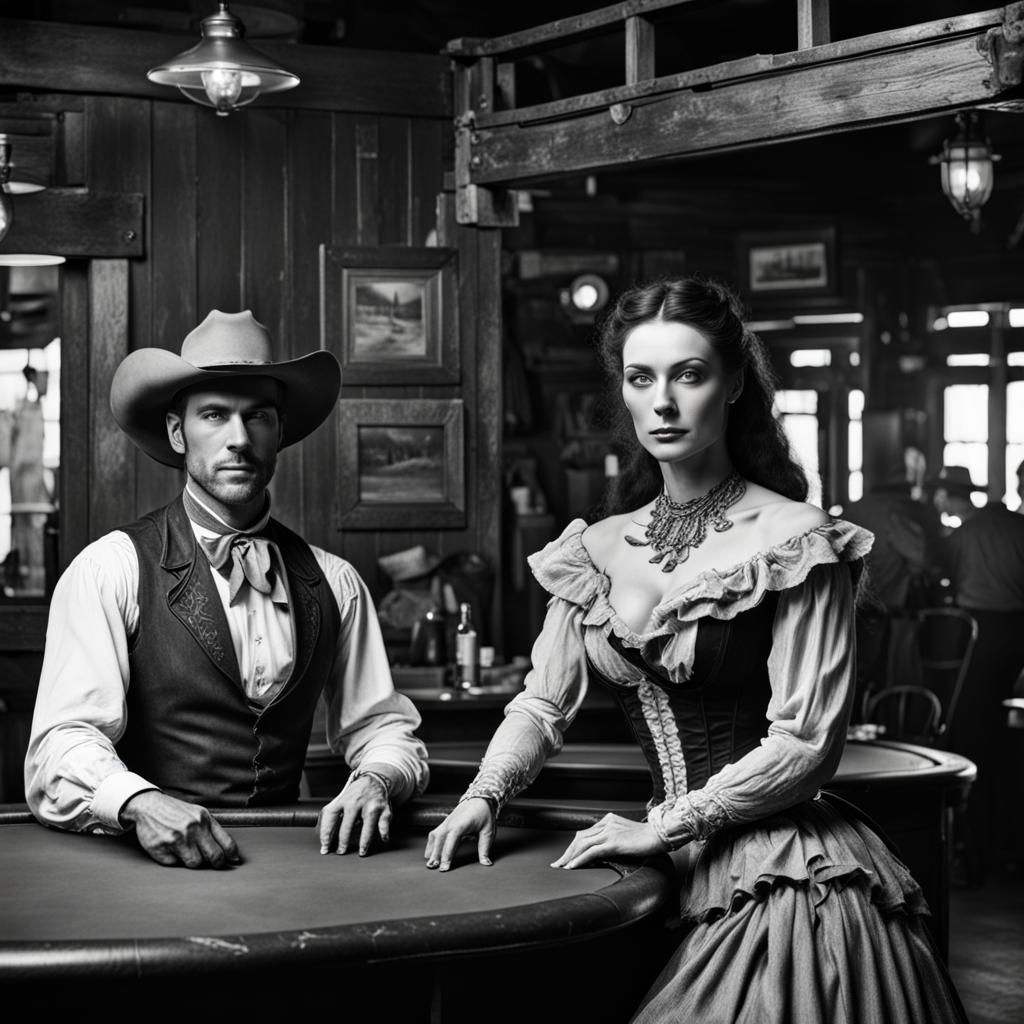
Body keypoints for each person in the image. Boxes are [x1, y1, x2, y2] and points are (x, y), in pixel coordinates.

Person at [423, 277, 968, 1022]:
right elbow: (543, 703)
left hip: (782, 873)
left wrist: (665, 825)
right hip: (656, 862)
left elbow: (806, 743)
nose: (663, 402)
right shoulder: (597, 545)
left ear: (735, 382)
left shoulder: (796, 539)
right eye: (641, 378)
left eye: (689, 374)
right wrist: (484, 794)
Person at [24, 310, 429, 868]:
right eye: (214, 415)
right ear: (176, 431)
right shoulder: (109, 570)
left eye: (256, 416)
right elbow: (59, 744)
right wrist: (138, 801)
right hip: (149, 870)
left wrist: (377, 779)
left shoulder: (336, 583)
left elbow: (383, 726)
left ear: (280, 430)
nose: (239, 439)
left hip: (295, 866)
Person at [929, 463, 1024, 885]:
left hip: (978, 633)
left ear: (951, 496)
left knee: (971, 733)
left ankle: (977, 843)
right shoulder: (1014, 524)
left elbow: (936, 575)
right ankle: (1003, 839)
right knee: (1005, 734)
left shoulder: (962, 536)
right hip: (1017, 631)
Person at [843, 454, 945, 713]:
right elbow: (920, 557)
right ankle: (886, 727)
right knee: (888, 674)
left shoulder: (853, 508)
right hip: (887, 605)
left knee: (855, 673)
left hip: (852, 602)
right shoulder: (897, 512)